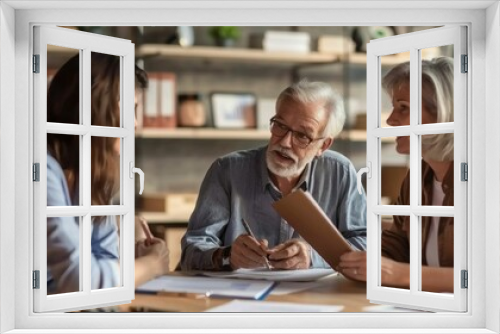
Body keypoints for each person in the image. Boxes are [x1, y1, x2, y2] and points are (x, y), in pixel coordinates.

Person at [181, 80, 367, 271]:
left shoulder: (340, 172)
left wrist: (313, 257)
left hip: (313, 297)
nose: (285, 142)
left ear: (323, 146)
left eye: (302, 136)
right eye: (280, 125)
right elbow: (190, 252)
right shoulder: (227, 170)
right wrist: (227, 256)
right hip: (242, 295)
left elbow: (367, 245)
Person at [47, 53, 169, 294]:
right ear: (94, 104)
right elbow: (79, 279)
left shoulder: (92, 174)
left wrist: (127, 256)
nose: (134, 123)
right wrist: (150, 265)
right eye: (130, 108)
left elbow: (102, 257)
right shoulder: (41, 170)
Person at [339, 57, 455, 292]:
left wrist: (399, 274)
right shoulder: (418, 177)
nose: (391, 120)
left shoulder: (485, 181)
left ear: (444, 114)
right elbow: (398, 246)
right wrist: (352, 259)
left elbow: (487, 277)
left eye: (403, 108)